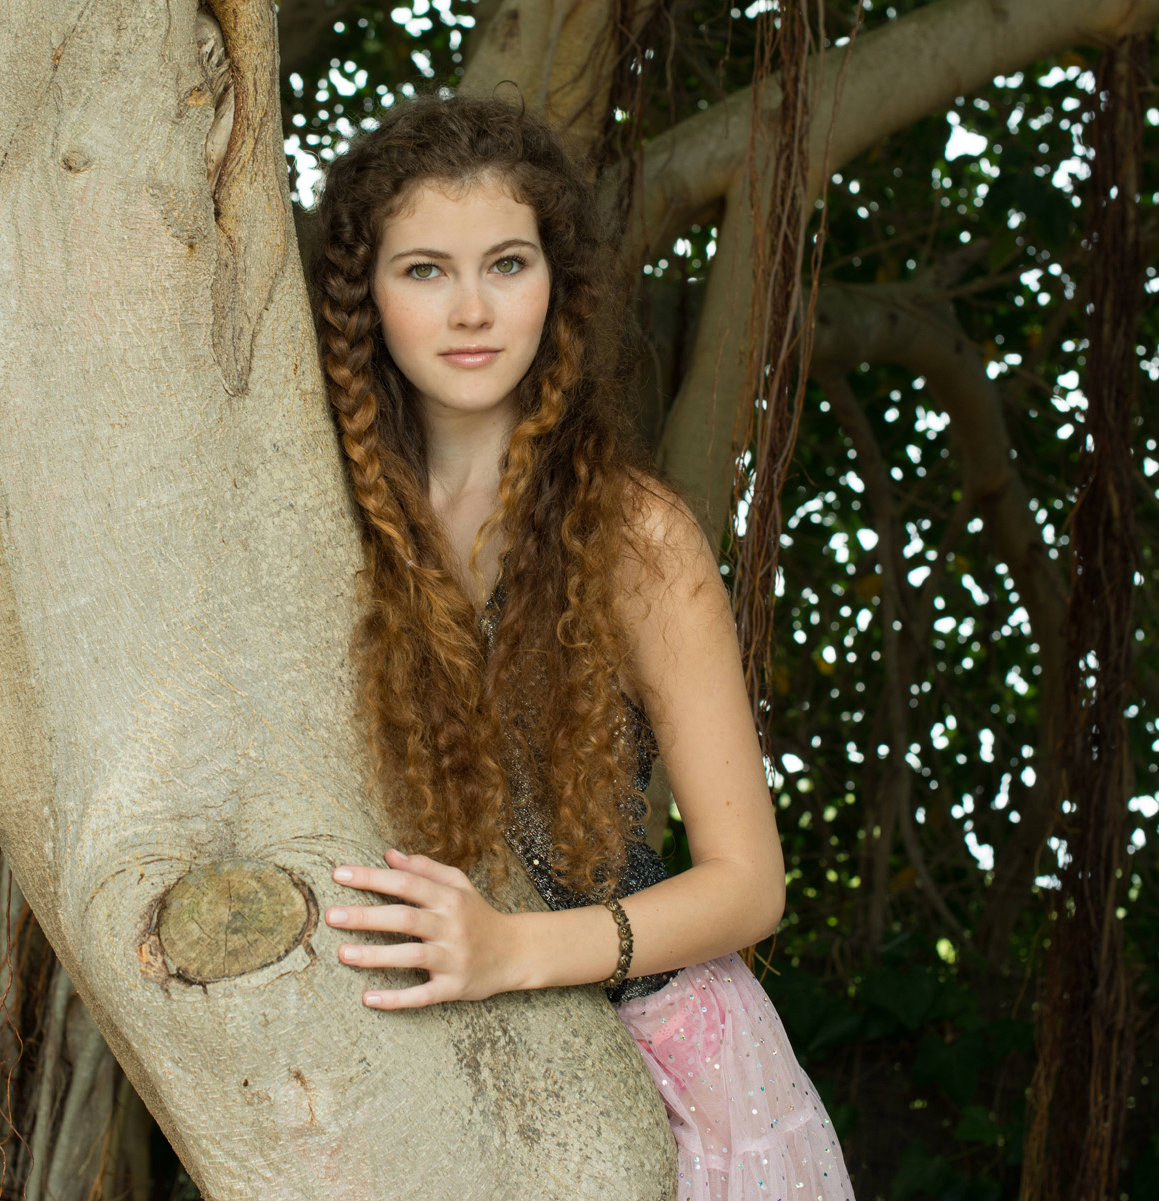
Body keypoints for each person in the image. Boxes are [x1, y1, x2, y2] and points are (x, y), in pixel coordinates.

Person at [304, 96, 858, 1201]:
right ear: (364, 294)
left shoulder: (636, 536)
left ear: (558, 285)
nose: (471, 309)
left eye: (507, 264)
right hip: (402, 1065)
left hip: (662, 1065)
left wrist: (512, 949)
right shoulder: (322, 516)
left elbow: (750, 886)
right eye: (424, 270)